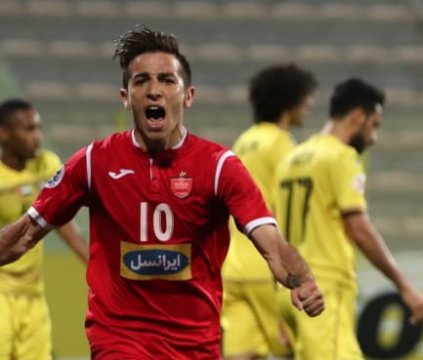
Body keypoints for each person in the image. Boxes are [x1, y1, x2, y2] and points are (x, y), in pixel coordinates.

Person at [0, 26, 324, 358]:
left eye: (167, 80)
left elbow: (271, 243)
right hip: (119, 339)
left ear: (188, 96)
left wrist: (303, 282)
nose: (154, 90)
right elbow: (25, 233)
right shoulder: (93, 163)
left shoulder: (218, 167)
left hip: (194, 344)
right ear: (126, 97)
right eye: (141, 81)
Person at [275, 78, 423, 359]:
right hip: (324, 290)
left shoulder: (291, 159)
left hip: (289, 290)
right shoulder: (341, 157)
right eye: (375, 125)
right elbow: (359, 229)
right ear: (358, 116)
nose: (374, 137)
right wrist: (405, 286)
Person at [221, 64, 317, 360]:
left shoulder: (243, 141)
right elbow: (290, 211)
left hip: (233, 269)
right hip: (267, 268)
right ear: (290, 102)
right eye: (305, 97)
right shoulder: (283, 146)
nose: (310, 104)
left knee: (242, 355)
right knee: (297, 350)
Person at [0, 98, 88, 359]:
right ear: (4, 133)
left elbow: (61, 221)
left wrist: (93, 263)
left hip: (34, 298)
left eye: (38, 127)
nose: (37, 137)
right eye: (28, 129)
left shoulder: (46, 165)